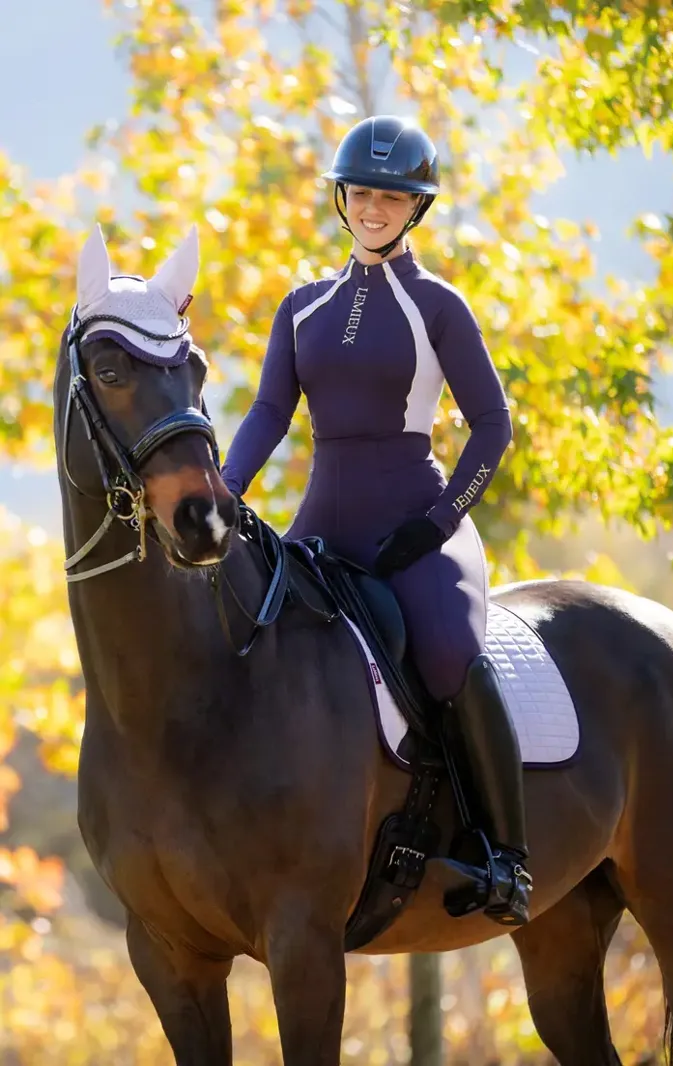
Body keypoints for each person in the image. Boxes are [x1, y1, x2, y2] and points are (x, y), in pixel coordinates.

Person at [221, 115, 531, 926]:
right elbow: (268, 412)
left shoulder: (438, 306)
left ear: (415, 207)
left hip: (415, 529)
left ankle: (505, 857)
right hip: (322, 525)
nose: (373, 208)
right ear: (341, 197)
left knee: (451, 655)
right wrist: (225, 489)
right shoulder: (302, 307)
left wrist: (440, 520)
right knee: (250, 635)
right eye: (361, 192)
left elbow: (493, 427)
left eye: (392, 197)